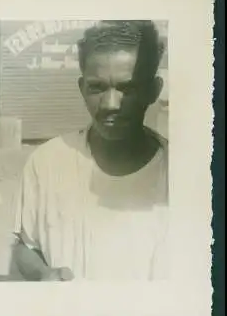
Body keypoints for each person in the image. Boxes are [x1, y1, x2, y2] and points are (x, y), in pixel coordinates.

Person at [10, 20, 170, 281]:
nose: (110, 104)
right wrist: (42, 274)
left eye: (127, 88)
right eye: (97, 88)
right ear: (82, 88)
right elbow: (25, 246)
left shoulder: (183, 177)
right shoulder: (47, 163)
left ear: (153, 90)